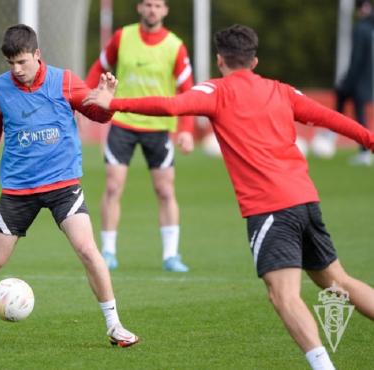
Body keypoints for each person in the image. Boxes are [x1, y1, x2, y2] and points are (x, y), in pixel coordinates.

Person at [84, 24, 374, 370]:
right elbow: (332, 118)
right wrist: (370, 141)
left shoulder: (215, 91)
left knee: (283, 295)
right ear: (254, 61)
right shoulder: (281, 90)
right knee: (338, 282)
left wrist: (113, 102)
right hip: (306, 202)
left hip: (271, 210)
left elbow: (170, 105)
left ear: (220, 60)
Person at [0, 24, 139, 347]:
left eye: (22, 62)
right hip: (18, 190)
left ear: (37, 55)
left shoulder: (65, 81)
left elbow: (98, 115)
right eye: (10, 64)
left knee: (88, 251)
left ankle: (115, 325)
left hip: (63, 184)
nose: (16, 70)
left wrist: (106, 102)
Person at [85, 0, 194, 272]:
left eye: (158, 5)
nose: (152, 10)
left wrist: (186, 130)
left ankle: (171, 255)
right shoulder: (122, 37)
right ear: (139, 8)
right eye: (148, 4)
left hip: (158, 127)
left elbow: (187, 90)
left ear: (166, 10)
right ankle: (108, 252)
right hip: (122, 123)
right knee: (112, 187)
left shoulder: (175, 46)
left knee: (165, 190)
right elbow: (99, 68)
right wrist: (86, 98)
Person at [334, 0, 374, 166]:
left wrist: (348, 79)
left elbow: (357, 58)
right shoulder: (370, 29)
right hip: (367, 78)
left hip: (359, 79)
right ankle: (330, 137)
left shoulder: (361, 29)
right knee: (355, 111)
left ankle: (364, 150)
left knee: (358, 115)